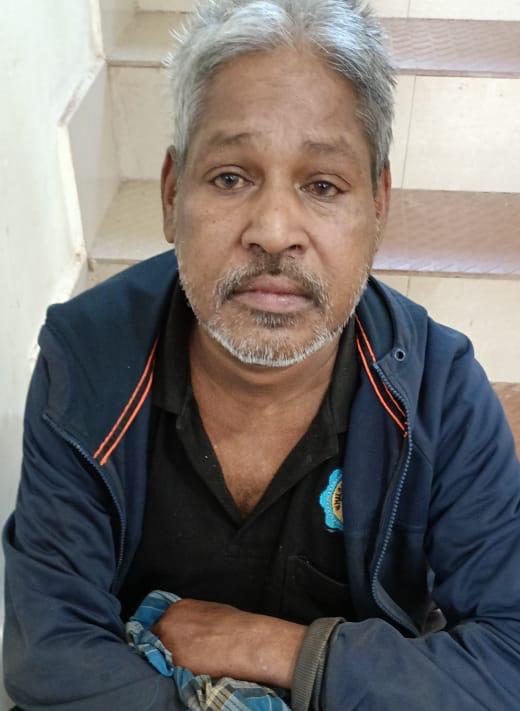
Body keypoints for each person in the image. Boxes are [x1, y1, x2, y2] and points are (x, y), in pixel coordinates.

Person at [3, 0, 520, 709]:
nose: (275, 232)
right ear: (170, 194)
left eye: (322, 185)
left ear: (378, 205)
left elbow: (509, 656)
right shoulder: (86, 361)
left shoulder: (440, 392)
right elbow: (50, 652)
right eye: (230, 177)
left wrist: (277, 648)